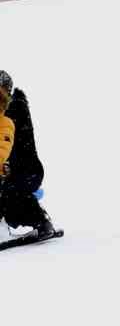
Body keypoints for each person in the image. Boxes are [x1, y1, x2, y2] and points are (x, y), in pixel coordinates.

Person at [0, 71, 56, 239]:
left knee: (9, 194)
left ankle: (41, 221)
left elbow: (6, 146)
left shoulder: (14, 110)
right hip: (8, 169)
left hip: (26, 171)